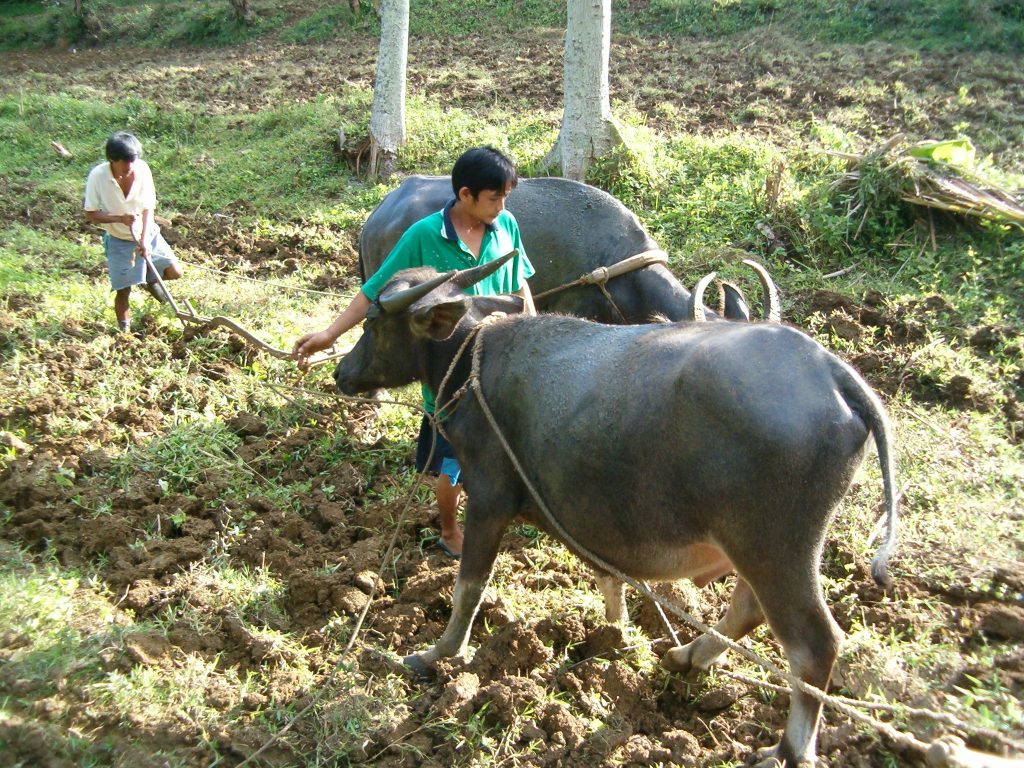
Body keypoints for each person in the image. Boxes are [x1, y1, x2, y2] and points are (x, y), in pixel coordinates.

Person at [293, 146, 536, 557]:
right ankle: (450, 531)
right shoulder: (424, 235)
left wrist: (533, 323)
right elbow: (373, 293)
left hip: (500, 359)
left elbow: (521, 280)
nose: (502, 205)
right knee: (453, 460)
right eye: (494, 197)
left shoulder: (506, 225)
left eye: (505, 197)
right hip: (447, 369)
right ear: (465, 195)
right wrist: (331, 334)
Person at [84, 131, 182, 333]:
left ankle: (148, 281)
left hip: (148, 233)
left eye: (132, 164)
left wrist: (145, 240)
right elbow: (91, 214)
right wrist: (118, 218)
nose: (129, 170)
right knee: (123, 289)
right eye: (124, 166)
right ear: (112, 160)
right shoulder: (98, 176)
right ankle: (124, 331)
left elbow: (148, 208)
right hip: (119, 238)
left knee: (174, 272)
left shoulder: (142, 170)